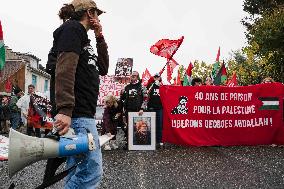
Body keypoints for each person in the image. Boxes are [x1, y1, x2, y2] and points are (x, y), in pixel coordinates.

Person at [44, 0, 109, 188]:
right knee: (90, 172)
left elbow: (103, 68)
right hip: (77, 115)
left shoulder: (85, 39)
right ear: (90, 12)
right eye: (96, 13)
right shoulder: (72, 29)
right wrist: (65, 109)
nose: (98, 18)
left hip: (83, 115)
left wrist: (99, 37)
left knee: (79, 170)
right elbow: (64, 69)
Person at [120, 71, 146, 149]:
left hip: (138, 111)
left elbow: (145, 98)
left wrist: (142, 108)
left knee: (138, 127)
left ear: (138, 77)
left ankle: (138, 143)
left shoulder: (142, 87)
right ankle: (128, 143)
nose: (133, 77)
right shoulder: (127, 87)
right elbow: (123, 98)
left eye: (135, 76)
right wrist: (122, 93)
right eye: (132, 75)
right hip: (128, 110)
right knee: (128, 127)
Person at [143, 73, 164, 148]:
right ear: (153, 78)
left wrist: (160, 84)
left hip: (160, 108)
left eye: (158, 77)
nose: (157, 78)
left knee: (159, 125)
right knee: (150, 125)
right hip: (151, 107)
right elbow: (146, 93)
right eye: (155, 77)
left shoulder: (162, 86)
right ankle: (151, 140)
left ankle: (160, 141)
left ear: (160, 78)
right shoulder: (150, 85)